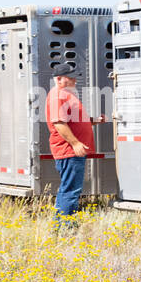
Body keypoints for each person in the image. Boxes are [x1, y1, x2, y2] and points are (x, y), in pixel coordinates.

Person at [44, 63, 104, 226]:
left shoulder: (65, 94)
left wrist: (94, 121)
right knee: (70, 190)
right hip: (68, 151)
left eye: (74, 77)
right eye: (70, 78)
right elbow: (59, 123)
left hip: (71, 151)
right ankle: (65, 226)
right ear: (59, 79)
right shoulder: (58, 95)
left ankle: (62, 225)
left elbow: (73, 121)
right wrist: (76, 143)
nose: (74, 80)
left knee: (69, 189)